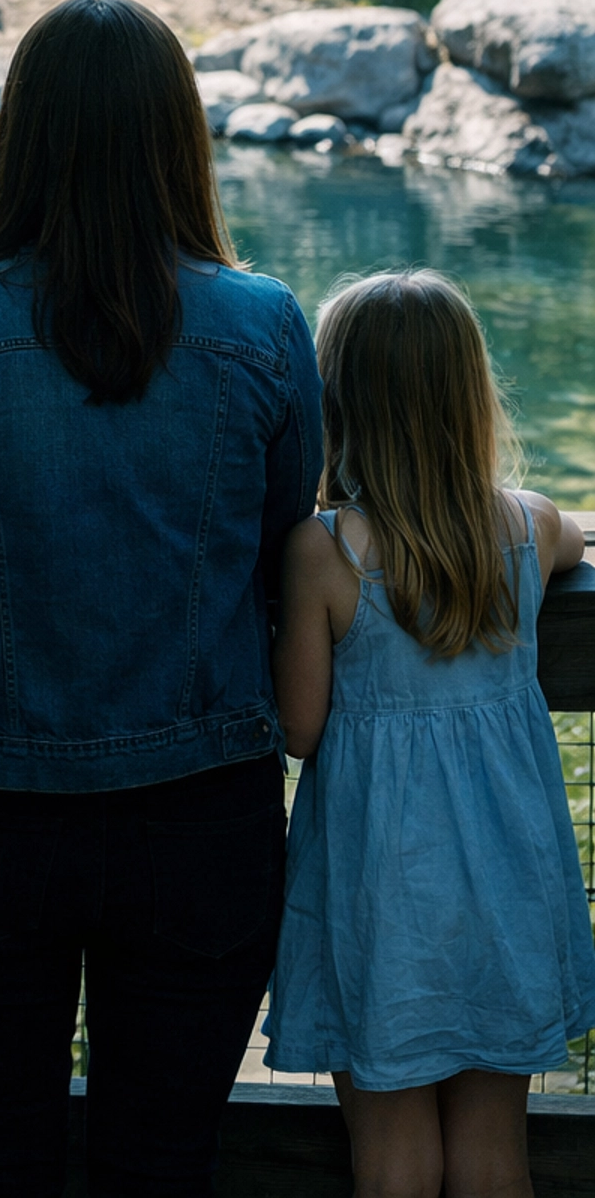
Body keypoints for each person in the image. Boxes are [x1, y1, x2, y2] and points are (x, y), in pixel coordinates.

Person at [0, 0, 323, 1198]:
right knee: (161, 1169)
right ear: (181, 138)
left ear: (21, 136)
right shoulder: (266, 327)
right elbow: (287, 552)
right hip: (201, 815)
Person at [265, 269, 595, 1198]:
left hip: (379, 889)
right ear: (469, 396)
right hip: (506, 881)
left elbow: (298, 729)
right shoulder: (527, 530)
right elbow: (576, 537)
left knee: (393, 1160)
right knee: (495, 1157)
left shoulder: (323, 553)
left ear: (337, 399)